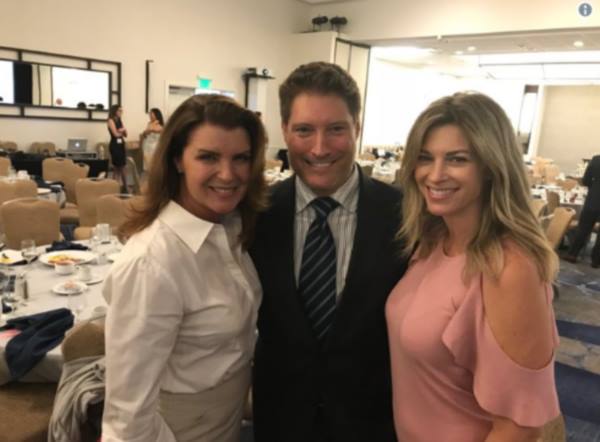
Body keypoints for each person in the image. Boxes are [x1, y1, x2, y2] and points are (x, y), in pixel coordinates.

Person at [386, 92, 560, 441]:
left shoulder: (509, 268)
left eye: (457, 159)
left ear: (491, 167)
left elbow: (520, 427)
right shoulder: (432, 242)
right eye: (425, 158)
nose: (435, 175)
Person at [250, 61, 407, 442]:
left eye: (336, 129)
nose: (319, 148)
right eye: (304, 130)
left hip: (373, 423)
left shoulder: (405, 216)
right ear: (285, 130)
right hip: (281, 420)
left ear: (357, 128)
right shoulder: (254, 215)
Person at [102, 94, 268, 442]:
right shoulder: (152, 262)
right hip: (180, 429)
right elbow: (127, 414)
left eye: (240, 158)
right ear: (177, 159)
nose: (228, 174)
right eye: (208, 157)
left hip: (228, 415)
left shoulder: (231, 228)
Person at [563, 154, 600, 268]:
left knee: (583, 228)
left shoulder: (596, 159)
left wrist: (594, 186)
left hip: (593, 199)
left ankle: (572, 254)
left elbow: (586, 180)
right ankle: (596, 260)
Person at [107, 104, 128, 190]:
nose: (121, 112)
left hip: (121, 145)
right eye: (119, 110)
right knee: (119, 167)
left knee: (120, 167)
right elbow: (115, 134)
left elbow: (126, 134)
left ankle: (119, 187)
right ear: (115, 111)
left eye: (121, 110)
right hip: (115, 146)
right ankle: (123, 187)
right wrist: (122, 131)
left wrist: (122, 130)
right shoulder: (110, 120)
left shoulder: (119, 120)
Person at [140, 107, 164, 172]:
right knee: (148, 167)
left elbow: (153, 130)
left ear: (156, 114)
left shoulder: (160, 125)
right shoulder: (149, 123)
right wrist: (145, 132)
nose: (150, 115)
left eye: (151, 114)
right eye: (149, 114)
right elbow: (145, 134)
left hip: (154, 148)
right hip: (147, 147)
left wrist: (150, 130)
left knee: (154, 166)